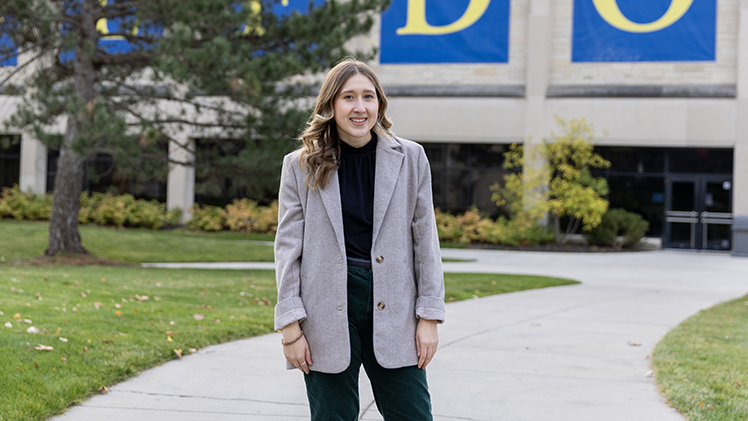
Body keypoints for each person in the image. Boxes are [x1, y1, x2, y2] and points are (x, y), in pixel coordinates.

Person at [274, 58, 446, 421]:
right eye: (348, 97)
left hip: (396, 306)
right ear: (331, 105)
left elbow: (425, 240)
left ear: (380, 104)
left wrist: (428, 316)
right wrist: (291, 327)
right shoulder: (300, 165)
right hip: (324, 308)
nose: (360, 107)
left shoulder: (411, 158)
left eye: (368, 97)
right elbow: (288, 248)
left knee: (413, 414)